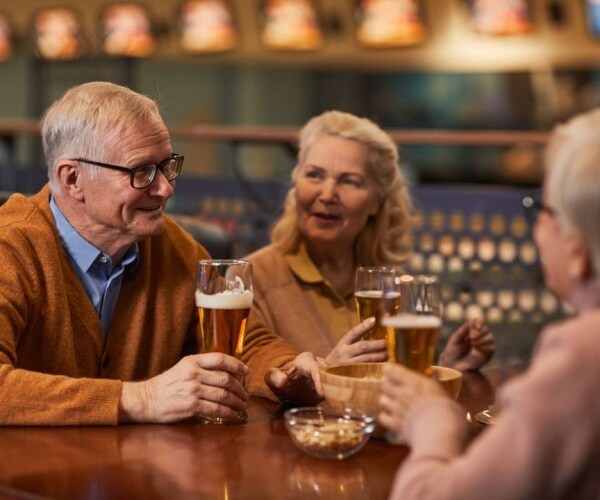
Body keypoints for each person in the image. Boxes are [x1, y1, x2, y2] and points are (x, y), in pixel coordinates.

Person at [0, 81, 321, 426]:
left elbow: (247, 343)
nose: (166, 188)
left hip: (136, 472)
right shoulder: (12, 246)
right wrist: (142, 398)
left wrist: (286, 371)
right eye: (141, 172)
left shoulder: (176, 248)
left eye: (167, 166)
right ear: (73, 178)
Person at [378, 109, 600, 499]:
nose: (538, 228)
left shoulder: (584, 354)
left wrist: (433, 421)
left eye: (543, 210)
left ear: (578, 250)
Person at [245, 110, 494, 369]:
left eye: (349, 181)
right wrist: (328, 370)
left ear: (377, 201)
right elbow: (250, 390)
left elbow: (404, 387)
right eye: (314, 175)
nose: (327, 194)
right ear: (295, 182)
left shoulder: (394, 285)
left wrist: (446, 367)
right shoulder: (254, 281)